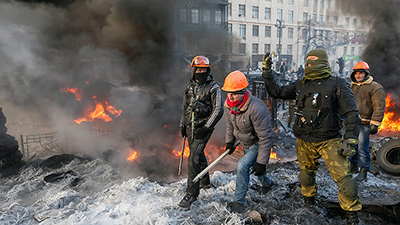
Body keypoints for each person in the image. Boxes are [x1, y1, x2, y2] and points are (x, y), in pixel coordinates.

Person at [262, 49, 362, 225]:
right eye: (308, 61)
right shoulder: (302, 84)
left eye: (313, 61)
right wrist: (267, 73)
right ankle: (309, 204)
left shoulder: (337, 84)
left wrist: (351, 140)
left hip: (329, 140)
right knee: (306, 176)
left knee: (345, 181)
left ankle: (352, 217)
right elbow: (277, 92)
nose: (310, 64)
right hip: (304, 140)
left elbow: (352, 113)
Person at [221, 71, 274, 213]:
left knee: (242, 166)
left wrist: (262, 162)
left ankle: (239, 202)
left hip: (258, 143)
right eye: (228, 93)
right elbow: (230, 125)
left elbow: (265, 138)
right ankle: (267, 184)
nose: (230, 97)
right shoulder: (228, 105)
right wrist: (230, 142)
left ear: (243, 91)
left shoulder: (257, 108)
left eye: (234, 93)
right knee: (257, 170)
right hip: (245, 142)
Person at [178, 55, 223, 209]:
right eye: (198, 69)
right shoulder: (189, 87)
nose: (201, 72)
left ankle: (191, 193)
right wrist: (182, 125)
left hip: (204, 128)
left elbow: (218, 110)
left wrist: (206, 128)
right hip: (191, 127)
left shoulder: (214, 88)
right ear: (194, 70)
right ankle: (205, 182)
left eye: (204, 69)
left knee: (193, 158)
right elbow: (185, 107)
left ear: (208, 70)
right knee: (198, 154)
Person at [349, 61, 385, 182]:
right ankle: (353, 167)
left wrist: (375, 123)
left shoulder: (375, 87)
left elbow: (379, 106)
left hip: (364, 123)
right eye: (356, 73)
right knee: (351, 144)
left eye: (361, 73)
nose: (358, 76)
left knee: (362, 148)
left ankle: (363, 171)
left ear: (366, 74)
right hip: (352, 121)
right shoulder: (353, 86)